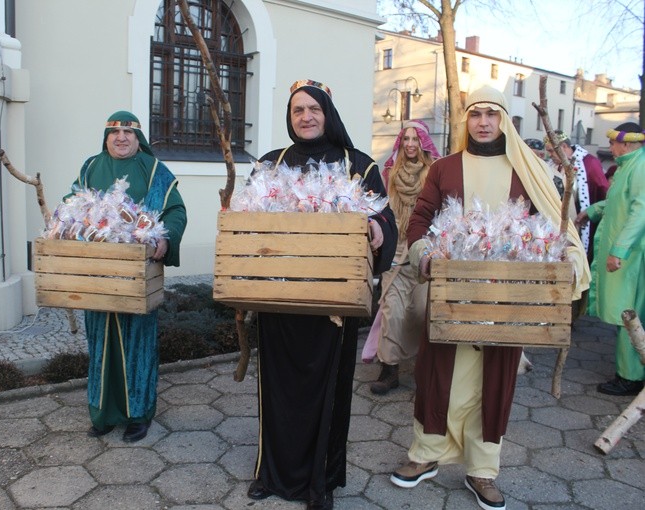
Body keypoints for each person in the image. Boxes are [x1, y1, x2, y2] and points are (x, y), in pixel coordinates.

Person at [389, 86, 589, 510]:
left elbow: (553, 221)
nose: (483, 121)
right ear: (467, 120)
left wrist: (566, 253)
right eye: (476, 113)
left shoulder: (528, 168)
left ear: (504, 121)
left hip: (506, 297)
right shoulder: (443, 168)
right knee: (437, 372)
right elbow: (421, 219)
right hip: (452, 292)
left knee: (495, 378)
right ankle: (425, 456)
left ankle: (483, 470)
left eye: (491, 114)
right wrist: (425, 257)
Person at [246, 79, 397, 510]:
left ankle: (321, 481)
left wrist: (375, 228)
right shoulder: (270, 164)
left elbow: (386, 219)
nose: (306, 116)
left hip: (334, 300)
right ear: (290, 118)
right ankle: (270, 472)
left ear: (328, 113)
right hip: (279, 297)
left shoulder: (359, 165)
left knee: (328, 390)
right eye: (298, 110)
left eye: (314, 108)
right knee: (275, 387)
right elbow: (248, 216)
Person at [70, 111, 187, 442]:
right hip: (97, 273)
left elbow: (176, 211)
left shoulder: (153, 170)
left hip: (138, 273)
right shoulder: (91, 167)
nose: (121, 137)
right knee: (100, 341)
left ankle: (139, 415)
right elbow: (73, 204)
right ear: (106, 137)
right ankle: (103, 414)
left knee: (136, 342)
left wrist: (165, 239)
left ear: (139, 139)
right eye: (114, 132)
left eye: (128, 132)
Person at [362, 120, 440, 393]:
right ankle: (389, 369)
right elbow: (380, 208)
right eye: (405, 138)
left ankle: (425, 368)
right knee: (391, 309)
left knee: (421, 311)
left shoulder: (435, 173)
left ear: (423, 144)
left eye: (415, 139)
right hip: (395, 249)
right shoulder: (388, 172)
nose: (410, 144)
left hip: (424, 249)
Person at [575, 122, 645, 396]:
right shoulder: (631, 165)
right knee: (625, 313)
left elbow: (640, 212)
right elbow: (618, 202)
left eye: (614, 144)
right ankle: (629, 371)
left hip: (632, 258)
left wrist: (619, 250)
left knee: (629, 314)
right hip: (629, 256)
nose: (611, 149)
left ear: (626, 144)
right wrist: (592, 210)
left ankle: (631, 376)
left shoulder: (639, 167)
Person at [544, 130, 609, 262]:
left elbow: (602, 190)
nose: (549, 155)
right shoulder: (551, 166)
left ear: (563, 147)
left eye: (551, 151)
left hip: (582, 221)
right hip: (557, 223)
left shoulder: (589, 163)